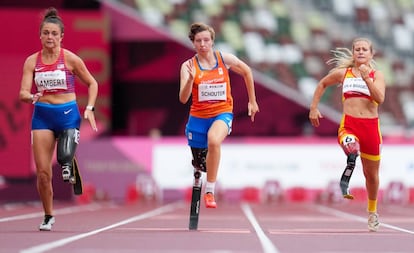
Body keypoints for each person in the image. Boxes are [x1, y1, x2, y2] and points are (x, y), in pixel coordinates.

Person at [19, 7, 98, 231]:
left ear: (62, 36)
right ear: (40, 36)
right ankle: (48, 215)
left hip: (67, 115)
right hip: (42, 117)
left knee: (63, 156)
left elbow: (92, 83)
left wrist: (90, 107)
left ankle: (68, 159)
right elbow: (22, 93)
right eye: (46, 33)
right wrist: (31, 96)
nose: (50, 37)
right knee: (43, 174)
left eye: (54, 33)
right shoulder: (31, 62)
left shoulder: (71, 59)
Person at [309, 38, 385, 232]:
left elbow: (380, 98)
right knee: (350, 146)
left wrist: (367, 78)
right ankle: (351, 152)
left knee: (372, 175)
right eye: (357, 49)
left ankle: (372, 212)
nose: (360, 52)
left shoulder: (377, 75)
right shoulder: (344, 74)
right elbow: (322, 84)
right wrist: (314, 108)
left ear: (371, 54)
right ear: (353, 53)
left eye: (364, 49)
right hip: (350, 125)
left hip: (371, 128)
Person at [179, 22, 259, 208]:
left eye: (206, 40)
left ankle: (210, 191)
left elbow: (247, 71)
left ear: (212, 41)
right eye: (198, 41)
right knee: (200, 163)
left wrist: (252, 101)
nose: (203, 44)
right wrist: (190, 79)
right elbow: (183, 98)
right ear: (193, 44)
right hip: (197, 119)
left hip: (222, 113)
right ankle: (200, 167)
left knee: (214, 140)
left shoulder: (224, 59)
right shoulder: (188, 66)